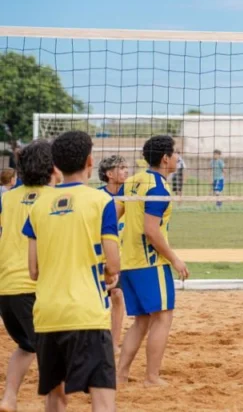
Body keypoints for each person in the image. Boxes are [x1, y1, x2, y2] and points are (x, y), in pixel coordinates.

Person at [22, 131, 120, 411]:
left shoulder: (38, 206)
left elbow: (33, 270)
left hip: (47, 314)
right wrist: (108, 274)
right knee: (102, 399)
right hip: (86, 313)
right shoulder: (101, 202)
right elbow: (114, 264)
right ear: (90, 161)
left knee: (55, 398)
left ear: (55, 166)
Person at [117, 135, 189, 386]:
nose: (178, 157)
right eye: (175, 153)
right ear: (165, 158)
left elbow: (114, 216)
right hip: (150, 262)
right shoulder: (158, 188)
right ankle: (151, 377)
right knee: (163, 317)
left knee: (142, 320)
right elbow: (151, 230)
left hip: (129, 261)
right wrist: (175, 259)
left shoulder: (132, 181)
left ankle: (120, 375)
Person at [0, 141, 56, 412]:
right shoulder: (53, 198)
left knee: (27, 346)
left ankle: (9, 398)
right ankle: (52, 405)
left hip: (6, 286)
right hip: (33, 286)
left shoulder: (9, 197)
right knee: (52, 351)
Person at [98, 155, 130, 354]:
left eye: (127, 167)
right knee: (97, 299)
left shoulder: (132, 196)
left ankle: (114, 343)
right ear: (109, 174)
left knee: (118, 295)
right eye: (121, 167)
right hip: (98, 255)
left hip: (120, 256)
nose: (126, 171)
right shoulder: (99, 197)